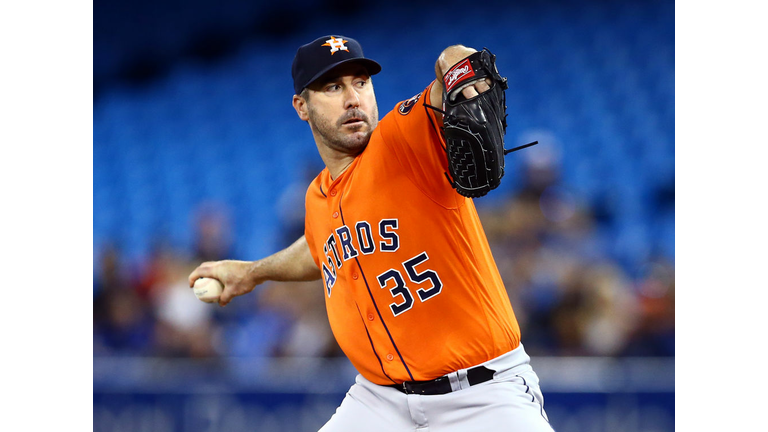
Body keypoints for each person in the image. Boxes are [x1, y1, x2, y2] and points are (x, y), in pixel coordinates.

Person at [189, 35, 554, 431]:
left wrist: (453, 62)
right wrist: (251, 272)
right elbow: (320, 248)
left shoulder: (403, 140)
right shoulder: (316, 197)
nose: (352, 98)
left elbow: (460, 65)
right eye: (333, 87)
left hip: (482, 396)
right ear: (301, 107)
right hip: (381, 401)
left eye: (361, 82)